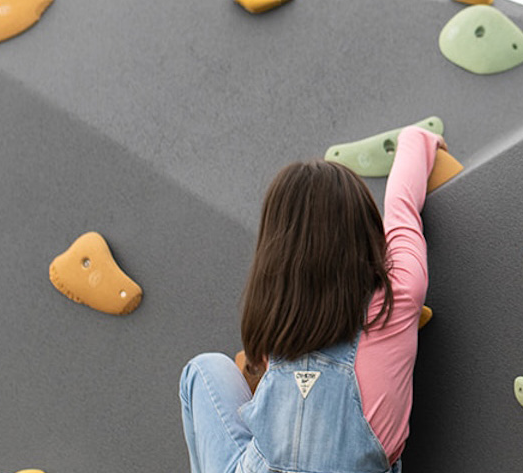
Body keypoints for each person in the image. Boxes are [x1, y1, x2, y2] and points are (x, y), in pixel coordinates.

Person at [180, 126, 442, 473]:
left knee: (203, 369)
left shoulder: (279, 309)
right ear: (363, 226)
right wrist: (417, 139)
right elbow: (401, 207)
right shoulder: (398, 294)